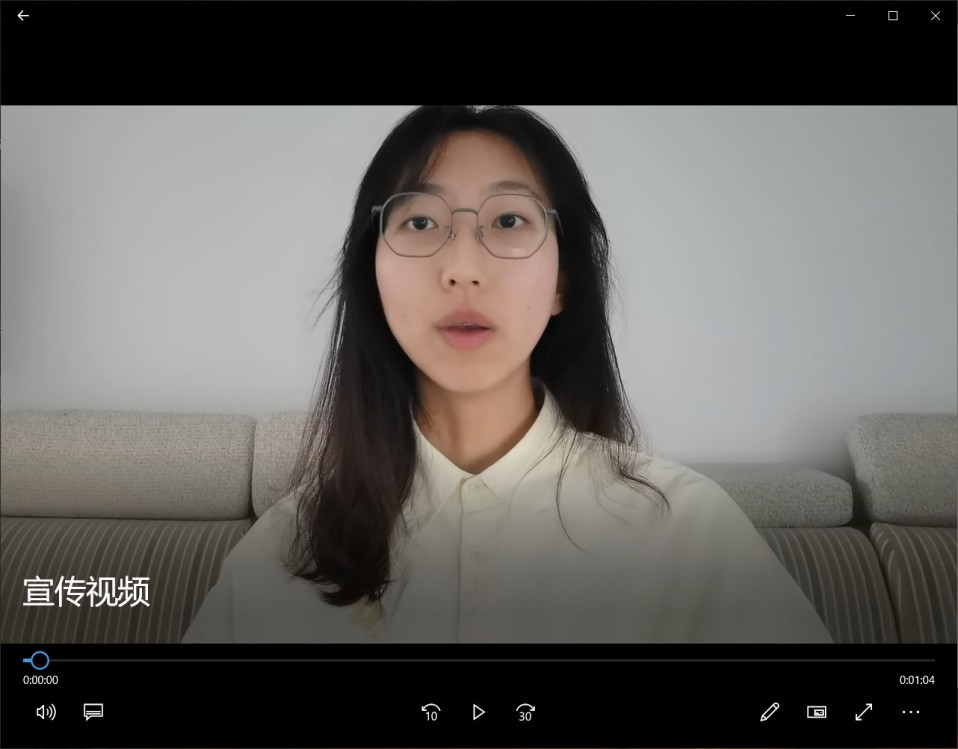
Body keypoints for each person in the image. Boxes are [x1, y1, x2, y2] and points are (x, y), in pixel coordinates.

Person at [182, 106, 834, 644]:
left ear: (563, 281)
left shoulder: (690, 534)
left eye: (510, 220)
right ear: (372, 274)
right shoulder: (284, 554)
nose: (463, 269)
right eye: (420, 221)